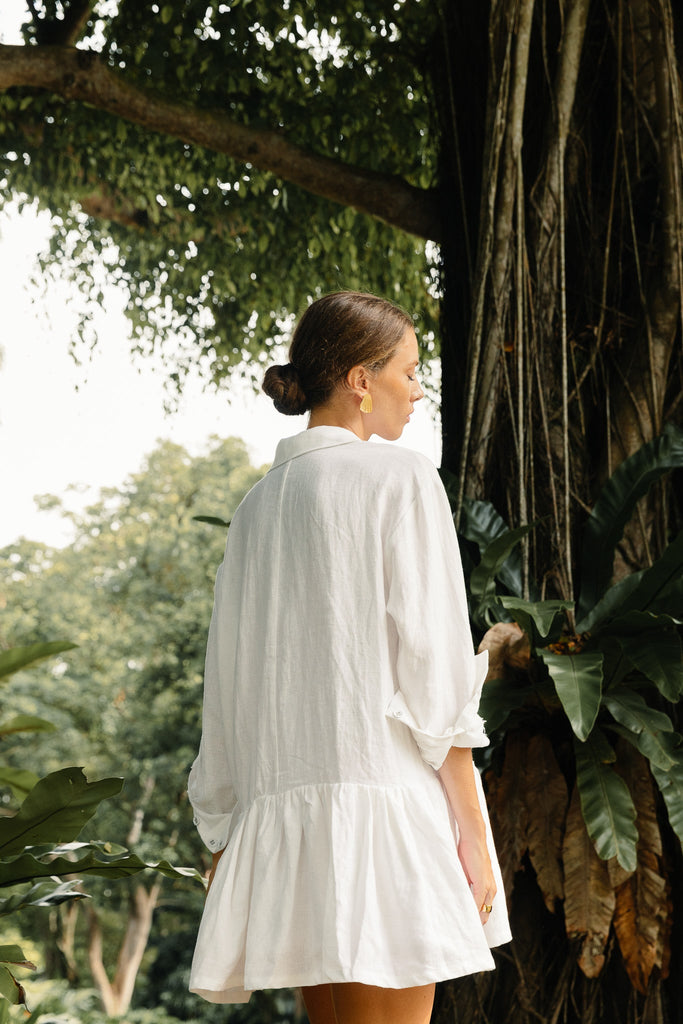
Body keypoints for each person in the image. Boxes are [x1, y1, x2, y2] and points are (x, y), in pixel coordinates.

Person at [187, 291, 511, 1024]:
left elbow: (228, 688)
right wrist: (471, 834)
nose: (419, 388)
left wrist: (229, 833)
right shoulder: (397, 479)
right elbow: (432, 678)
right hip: (384, 823)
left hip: (289, 836)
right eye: (408, 370)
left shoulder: (255, 510)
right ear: (360, 381)